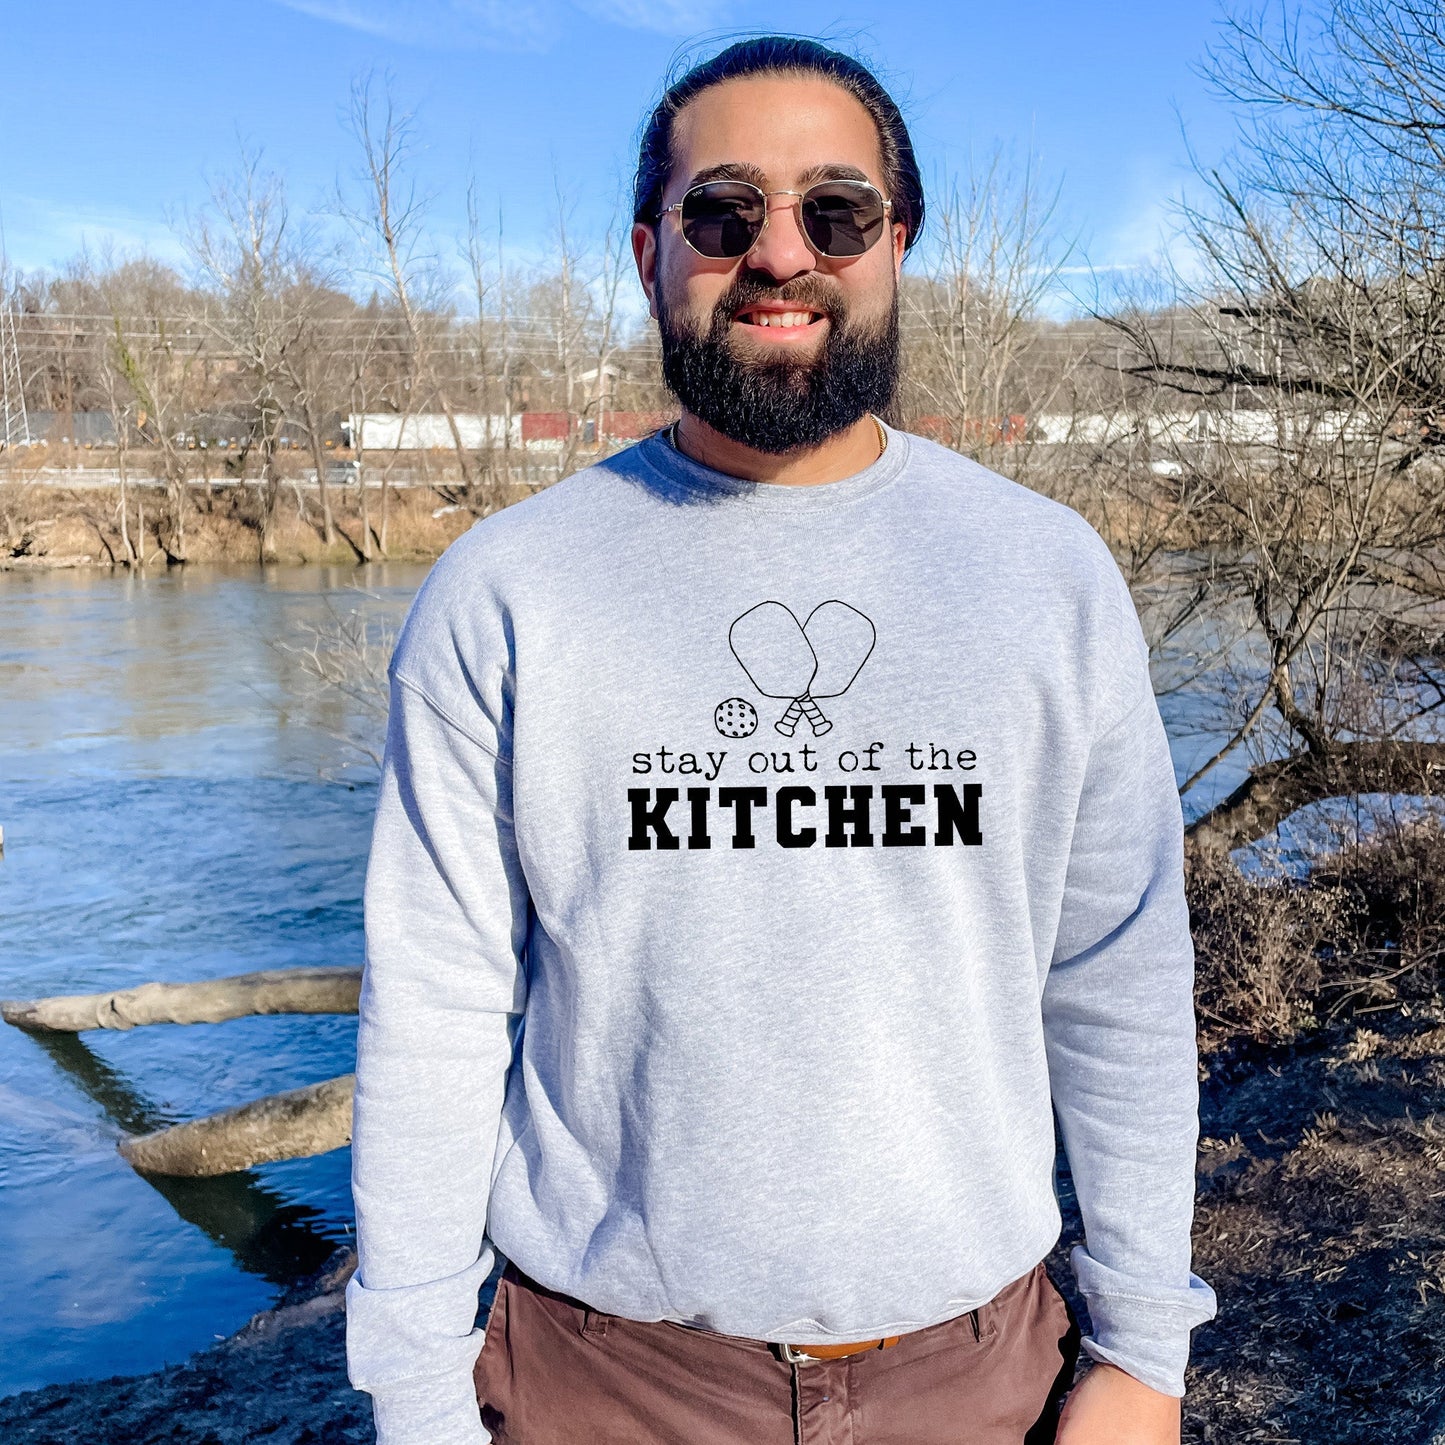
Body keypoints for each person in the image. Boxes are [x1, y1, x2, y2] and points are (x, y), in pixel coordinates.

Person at [344, 35, 1218, 1445]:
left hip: (980, 1375)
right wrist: (415, 1391)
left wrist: (1142, 1350)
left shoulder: (1043, 575)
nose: (778, 252)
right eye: (721, 210)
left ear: (895, 243)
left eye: (835, 210)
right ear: (649, 252)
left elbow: (1114, 978)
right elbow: (437, 1010)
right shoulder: (507, 589)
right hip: (600, 1383)